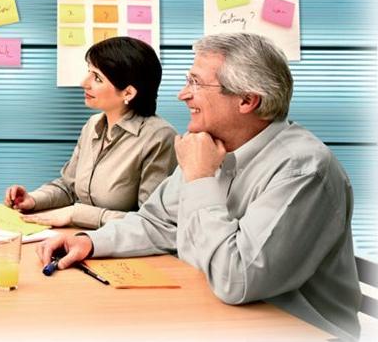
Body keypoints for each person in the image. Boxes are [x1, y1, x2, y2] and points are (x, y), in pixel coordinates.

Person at [38, 33, 360, 341]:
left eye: (196, 83)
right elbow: (158, 222)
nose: (182, 94)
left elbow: (237, 280)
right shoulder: (210, 146)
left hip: (296, 331)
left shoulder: (302, 169)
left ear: (247, 100)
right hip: (217, 315)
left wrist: (202, 179)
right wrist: (90, 242)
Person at [3, 36, 177, 228]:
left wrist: (77, 214)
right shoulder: (92, 125)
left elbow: (151, 222)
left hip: (121, 245)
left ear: (128, 93)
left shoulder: (160, 137)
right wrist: (33, 199)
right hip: (81, 238)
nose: (84, 83)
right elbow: (69, 187)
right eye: (89, 72)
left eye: (97, 78)